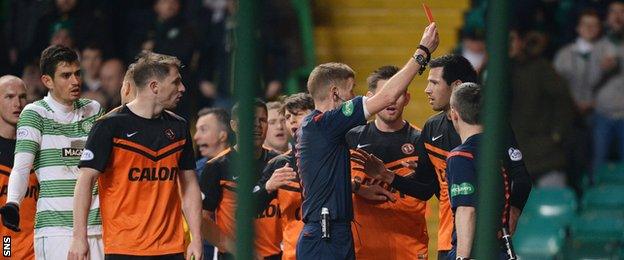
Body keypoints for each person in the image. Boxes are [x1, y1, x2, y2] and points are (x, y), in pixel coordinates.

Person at [355, 54, 532, 259]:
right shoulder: (431, 128)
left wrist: (514, 212)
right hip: (449, 239)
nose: (427, 90)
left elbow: (521, 177)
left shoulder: (492, 129)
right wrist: (388, 176)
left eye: (434, 83)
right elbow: (425, 187)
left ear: (456, 86)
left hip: (487, 239)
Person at [295, 22, 439, 259]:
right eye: (351, 90)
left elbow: (327, 180)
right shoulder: (326, 123)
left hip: (330, 232)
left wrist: (357, 188)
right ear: (334, 93)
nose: (354, 96)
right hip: (326, 235)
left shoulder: (317, 128)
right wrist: (422, 51)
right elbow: (388, 96)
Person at [68, 51, 203, 259]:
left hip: (171, 248)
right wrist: (79, 237)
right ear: (154, 87)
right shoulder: (109, 126)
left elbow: (190, 185)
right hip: (124, 247)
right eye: (176, 82)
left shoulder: (179, 127)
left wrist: (196, 237)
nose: (182, 88)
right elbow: (85, 181)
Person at [0, 45, 105, 259]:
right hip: (44, 233)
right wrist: (12, 202)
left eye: (77, 73)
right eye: (66, 75)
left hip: (96, 229)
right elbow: (21, 168)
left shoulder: (94, 110)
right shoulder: (35, 113)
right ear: (47, 81)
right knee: (6, 252)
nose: (75, 81)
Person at [346, 66, 428, 259]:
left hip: (409, 248)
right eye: (385, 95)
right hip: (363, 249)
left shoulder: (421, 140)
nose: (391, 101)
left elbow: (429, 190)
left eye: (398, 94)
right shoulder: (350, 138)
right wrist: (356, 188)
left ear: (407, 98)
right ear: (370, 98)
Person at [200, 99, 282, 259]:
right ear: (234, 125)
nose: (258, 125)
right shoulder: (216, 166)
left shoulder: (278, 162)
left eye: (262, 120)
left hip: (276, 254)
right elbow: (203, 218)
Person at [445, 83, 511, 259]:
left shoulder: (461, 156)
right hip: (500, 250)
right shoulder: (499, 150)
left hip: (475, 252)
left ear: (454, 114)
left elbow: (467, 210)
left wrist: (462, 258)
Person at [253, 93, 314, 260]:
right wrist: (268, 187)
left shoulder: (336, 156)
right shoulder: (279, 164)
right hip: (293, 255)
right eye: (288, 116)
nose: (292, 120)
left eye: (299, 114)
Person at [0, 75, 37, 259]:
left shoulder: (38, 146)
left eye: (22, 97)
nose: (18, 103)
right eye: (9, 97)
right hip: (6, 244)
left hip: (38, 245)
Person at [193, 107, 231, 260]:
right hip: (207, 248)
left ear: (223, 135)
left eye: (203, 130)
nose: (196, 137)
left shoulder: (243, 167)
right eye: (196, 130)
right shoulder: (194, 172)